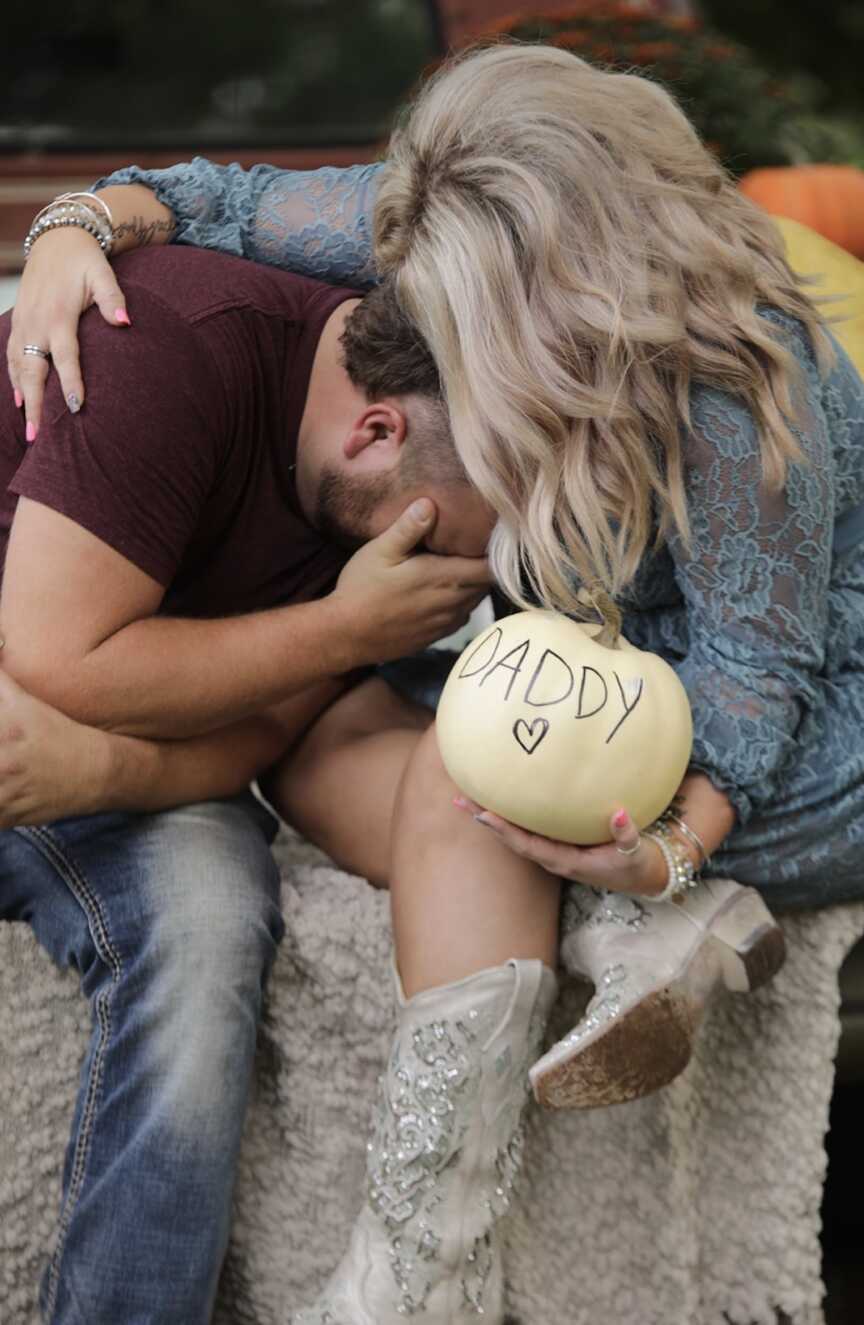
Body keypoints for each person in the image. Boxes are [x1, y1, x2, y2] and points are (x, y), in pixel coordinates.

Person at [7, 40, 864, 1324]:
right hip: (589, 674)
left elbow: (757, 689)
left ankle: (417, 1262)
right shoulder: (453, 243)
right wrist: (67, 231)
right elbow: (200, 193)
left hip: (808, 731)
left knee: (469, 776)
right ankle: (439, 1259)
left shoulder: (734, 376)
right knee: (377, 747)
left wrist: (670, 850)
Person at [0, 241, 500, 1323]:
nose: (456, 593)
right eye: (452, 559)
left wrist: (103, 764)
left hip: (120, 759)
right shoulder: (171, 342)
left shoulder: (371, 497)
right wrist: (341, 625)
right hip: (29, 672)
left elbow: (261, 731)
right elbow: (49, 650)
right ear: (377, 433)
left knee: (213, 911)